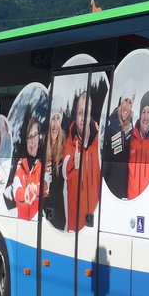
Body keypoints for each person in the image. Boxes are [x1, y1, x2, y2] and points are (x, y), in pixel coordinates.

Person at [62, 90, 100, 231]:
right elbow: (64, 168)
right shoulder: (70, 140)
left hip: (95, 223)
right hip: (74, 227)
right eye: (80, 112)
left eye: (86, 112)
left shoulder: (98, 141)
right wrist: (73, 161)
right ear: (76, 116)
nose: (83, 118)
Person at [102, 83, 135, 199]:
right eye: (125, 101)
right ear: (121, 102)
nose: (127, 106)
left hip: (126, 187)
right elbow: (105, 157)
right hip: (111, 185)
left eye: (130, 102)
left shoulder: (133, 130)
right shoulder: (111, 127)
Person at [41, 106, 67, 230]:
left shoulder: (64, 147)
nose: (55, 124)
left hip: (58, 214)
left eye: (58, 119)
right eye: (53, 119)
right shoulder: (41, 147)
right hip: (40, 212)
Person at [13, 117, 43, 220]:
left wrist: (36, 189)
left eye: (35, 135)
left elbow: (46, 188)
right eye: (29, 137)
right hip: (21, 225)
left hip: (37, 222)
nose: (32, 141)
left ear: (39, 137)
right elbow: (16, 189)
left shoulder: (42, 165)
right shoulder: (20, 165)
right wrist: (25, 192)